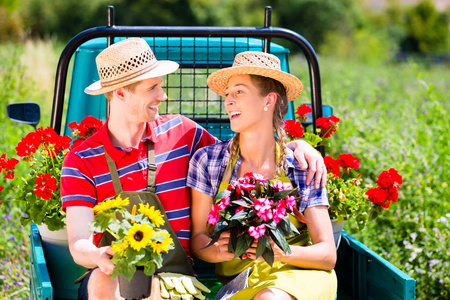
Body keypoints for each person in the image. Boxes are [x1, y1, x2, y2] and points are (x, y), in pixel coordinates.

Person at [61, 38, 327, 300]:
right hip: (116, 268)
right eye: (152, 87)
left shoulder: (182, 134)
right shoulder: (81, 160)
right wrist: (97, 255)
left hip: (175, 277)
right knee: (103, 283)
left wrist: (295, 146)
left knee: (151, 293)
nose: (163, 96)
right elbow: (79, 243)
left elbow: (245, 149)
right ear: (120, 93)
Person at [187, 51, 337, 300]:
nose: (228, 101)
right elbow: (198, 239)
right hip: (241, 280)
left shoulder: (300, 165)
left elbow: (327, 254)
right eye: (228, 94)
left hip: (299, 275)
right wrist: (218, 251)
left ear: (268, 101)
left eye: (239, 92)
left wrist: (281, 251)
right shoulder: (209, 161)